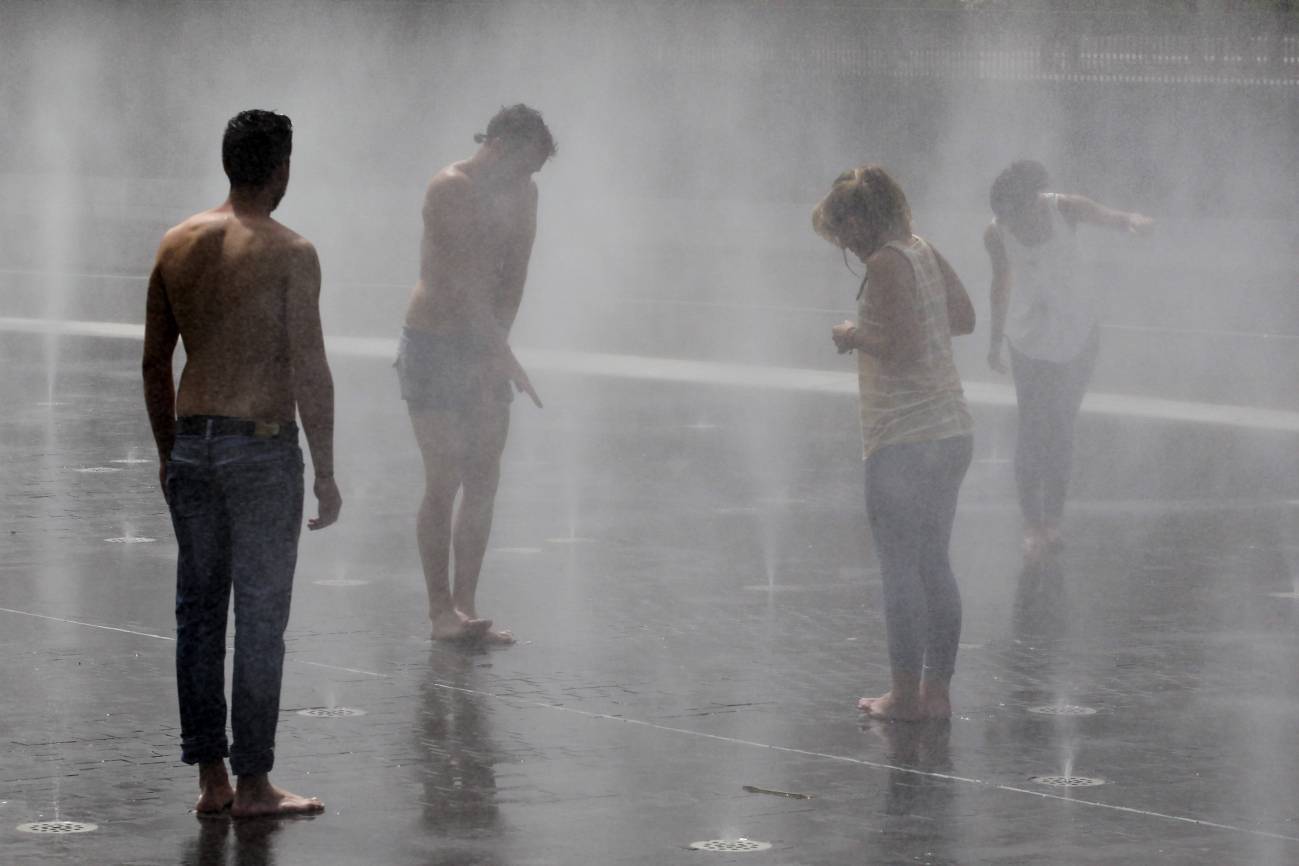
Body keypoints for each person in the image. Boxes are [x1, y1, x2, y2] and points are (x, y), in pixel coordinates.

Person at [142, 109, 341, 817]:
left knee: (198, 616)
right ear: (280, 169)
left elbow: (155, 363)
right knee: (259, 618)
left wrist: (172, 455)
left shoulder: (177, 242)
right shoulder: (291, 251)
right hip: (260, 446)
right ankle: (255, 783)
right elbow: (309, 366)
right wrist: (325, 467)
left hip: (194, 441)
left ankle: (211, 780)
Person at [813, 165, 975, 722]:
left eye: (843, 233)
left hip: (902, 436)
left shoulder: (885, 262)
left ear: (859, 219)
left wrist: (854, 335)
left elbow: (900, 350)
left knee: (900, 568)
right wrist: (916, 324)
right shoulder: (921, 250)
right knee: (935, 562)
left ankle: (904, 696)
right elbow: (965, 317)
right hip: (950, 428)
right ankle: (937, 693)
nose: (846, 246)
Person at [396, 104, 553, 643]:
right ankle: (440, 611)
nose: (529, 179)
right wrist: (500, 353)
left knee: (484, 475)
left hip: (483, 344)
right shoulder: (451, 187)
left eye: (536, 173)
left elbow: (515, 273)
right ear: (500, 145)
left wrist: (497, 347)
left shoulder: (524, 194)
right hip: (435, 343)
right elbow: (459, 281)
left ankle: (466, 606)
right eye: (526, 165)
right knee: (445, 477)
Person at [984, 160, 1153, 558]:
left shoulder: (1064, 208)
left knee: (1061, 425)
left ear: (1034, 201)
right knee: (1032, 425)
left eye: (1016, 213)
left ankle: (1053, 522)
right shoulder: (996, 232)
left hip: (1077, 330)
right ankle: (1031, 524)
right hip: (1027, 334)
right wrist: (994, 341)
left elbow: (1111, 217)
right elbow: (1000, 282)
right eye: (1004, 215)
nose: (1011, 222)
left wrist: (1133, 221)